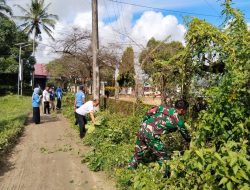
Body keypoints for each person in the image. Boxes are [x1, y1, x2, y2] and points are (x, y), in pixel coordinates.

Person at [128, 100, 191, 173]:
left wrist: (144, 122)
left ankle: (129, 172)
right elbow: (186, 136)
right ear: (182, 110)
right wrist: (190, 141)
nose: (185, 112)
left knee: (138, 153)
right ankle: (165, 177)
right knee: (164, 158)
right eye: (186, 110)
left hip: (142, 130)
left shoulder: (163, 108)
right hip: (152, 136)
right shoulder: (179, 121)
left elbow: (149, 112)